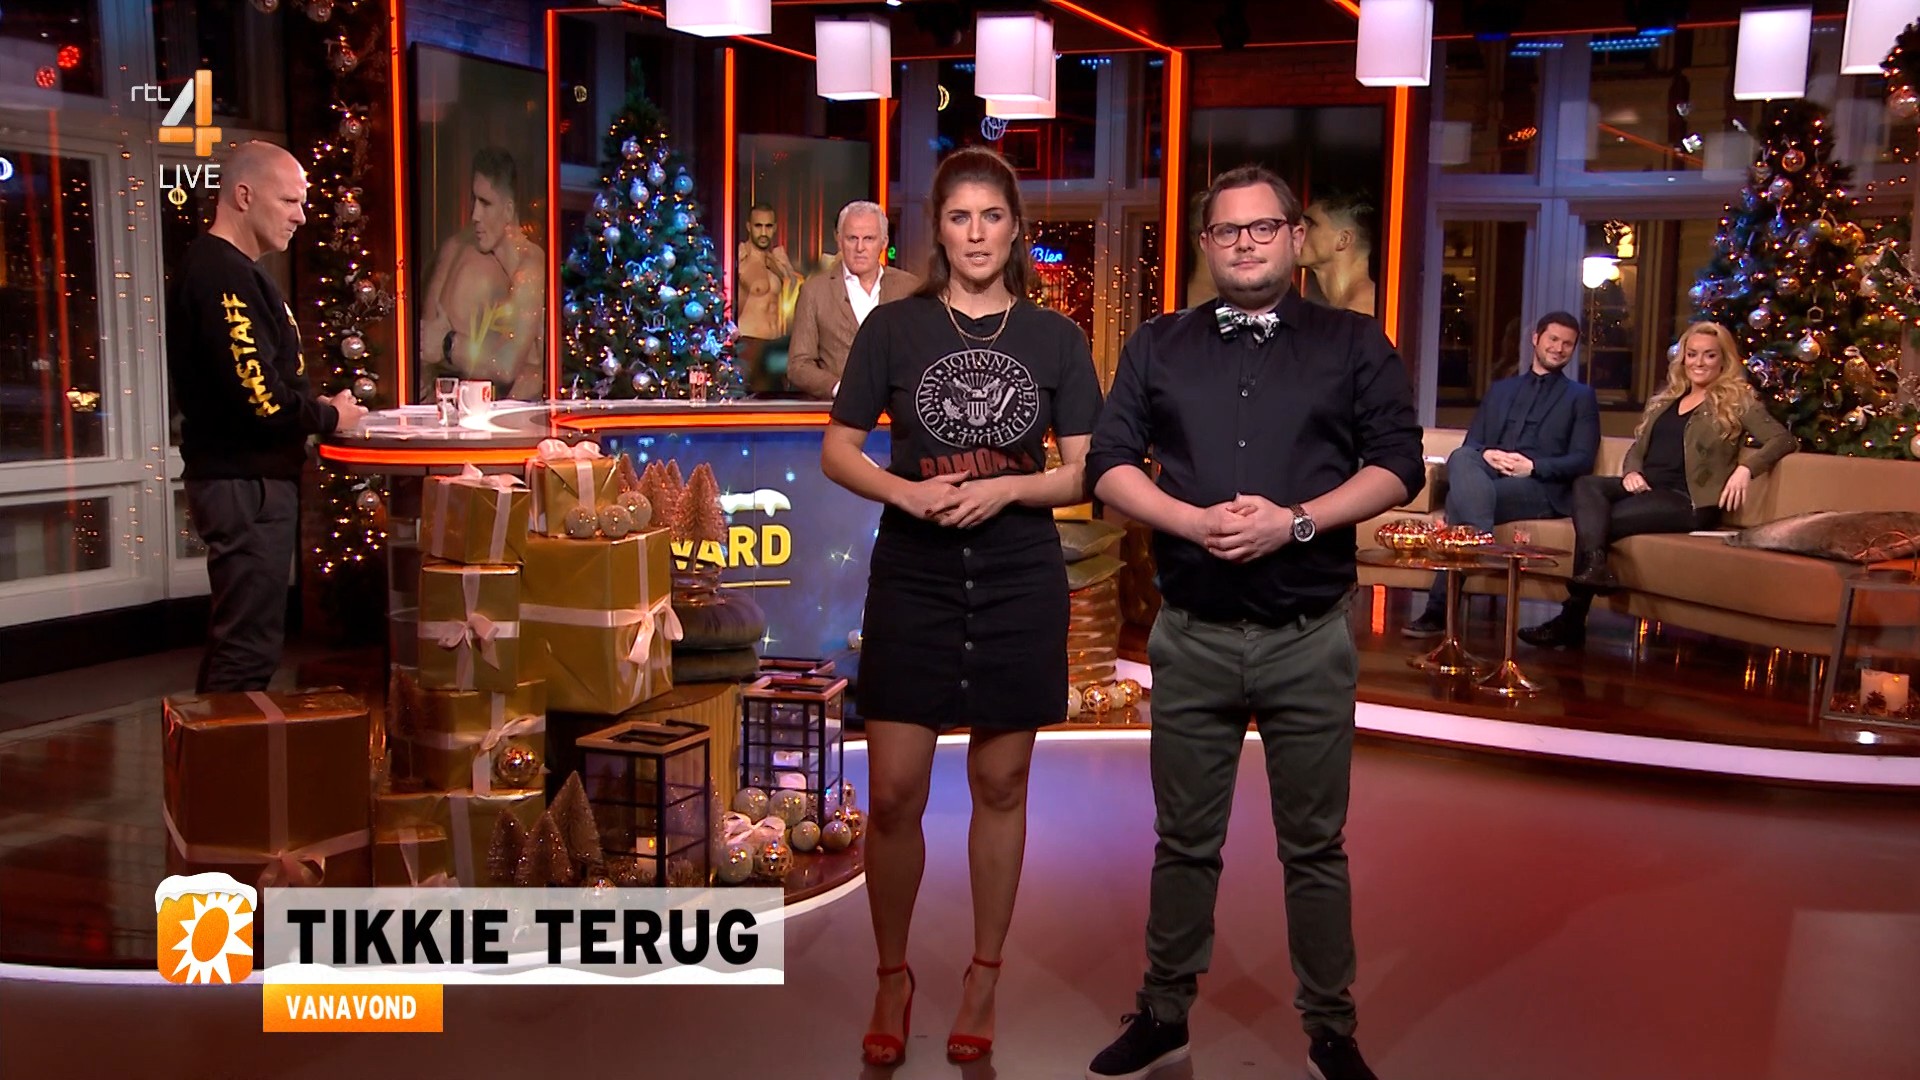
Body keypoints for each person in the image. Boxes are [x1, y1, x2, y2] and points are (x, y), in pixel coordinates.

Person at [1084, 164, 1423, 1080]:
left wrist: (1296, 521)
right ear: (1206, 245)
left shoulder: (1354, 344)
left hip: (1308, 634)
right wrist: (1187, 521)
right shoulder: (1158, 344)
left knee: (1314, 846)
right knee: (1183, 841)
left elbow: (1400, 464)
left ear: (1296, 238)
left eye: (1263, 228)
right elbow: (1108, 464)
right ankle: (1164, 1012)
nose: (1246, 243)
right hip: (1191, 633)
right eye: (1228, 230)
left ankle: (1331, 1029)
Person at [821, 147, 1102, 1069]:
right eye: (958, 217)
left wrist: (1007, 491)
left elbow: (1087, 470)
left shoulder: (1055, 339)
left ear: (1015, 229)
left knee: (1002, 784)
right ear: (937, 232)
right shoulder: (895, 328)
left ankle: (983, 974)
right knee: (896, 792)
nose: (976, 234)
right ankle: (891, 976)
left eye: (992, 216)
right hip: (916, 573)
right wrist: (906, 494)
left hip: (1020, 573)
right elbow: (839, 449)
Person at [167, 141, 368, 693]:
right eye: (289, 201)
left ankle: (216, 746)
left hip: (248, 482)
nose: (301, 216)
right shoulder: (220, 274)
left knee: (244, 642)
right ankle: (228, 750)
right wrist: (329, 416)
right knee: (246, 650)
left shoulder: (234, 271)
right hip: (244, 485)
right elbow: (259, 396)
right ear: (243, 195)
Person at [1518, 321, 1795, 650]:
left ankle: (1572, 618)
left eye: (1709, 355)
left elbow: (1782, 440)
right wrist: (1632, 471)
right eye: (1692, 354)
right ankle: (1593, 573)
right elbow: (1638, 447)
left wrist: (1746, 469)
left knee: (1597, 522)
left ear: (1724, 360)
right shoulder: (1668, 400)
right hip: (1648, 488)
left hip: (1688, 499)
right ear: (1683, 358)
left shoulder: (1737, 402)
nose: (1699, 362)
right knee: (1587, 486)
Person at [1403, 311, 1599, 637]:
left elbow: (1582, 460)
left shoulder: (1580, 397)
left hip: (1539, 486)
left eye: (1567, 344)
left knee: (1460, 503)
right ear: (1535, 339)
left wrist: (1532, 466)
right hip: (1491, 476)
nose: (1559, 348)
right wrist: (1486, 454)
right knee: (1463, 457)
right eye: (1553, 339)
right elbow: (1472, 444)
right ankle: (1482, 540)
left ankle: (1438, 610)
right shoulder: (1501, 390)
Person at [417, 148, 546, 400]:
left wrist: (448, 344)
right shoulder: (454, 249)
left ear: (508, 210)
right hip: (446, 403)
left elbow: (505, 365)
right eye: (474, 201)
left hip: (508, 410)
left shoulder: (531, 267)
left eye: (486, 203)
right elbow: (426, 342)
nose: (475, 215)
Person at [787, 200, 920, 400]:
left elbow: (923, 354)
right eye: (852, 238)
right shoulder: (814, 291)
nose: (860, 247)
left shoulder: (910, 288)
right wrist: (839, 388)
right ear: (839, 241)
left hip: (898, 411)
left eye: (869, 239)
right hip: (840, 411)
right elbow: (798, 365)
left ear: (884, 242)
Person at [736, 202, 796, 393]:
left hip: (774, 345)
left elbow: (797, 296)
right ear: (748, 227)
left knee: (777, 404)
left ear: (775, 228)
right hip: (749, 342)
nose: (763, 232)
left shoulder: (774, 261)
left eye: (768, 226)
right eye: (758, 226)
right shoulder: (741, 257)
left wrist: (788, 270)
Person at [1298, 190, 1377, 317]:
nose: (1297, 231)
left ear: (1343, 240)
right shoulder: (1338, 310)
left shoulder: (1361, 315)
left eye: (1310, 224)